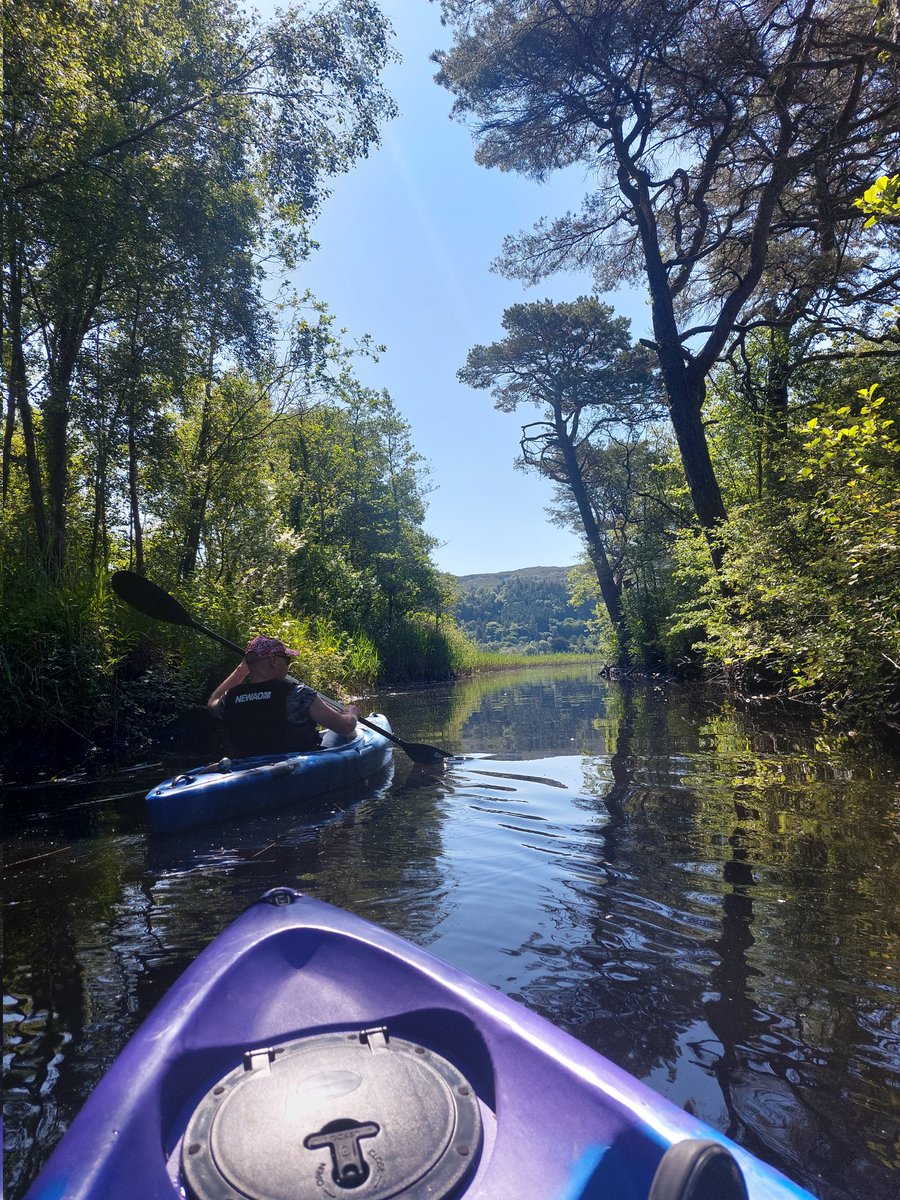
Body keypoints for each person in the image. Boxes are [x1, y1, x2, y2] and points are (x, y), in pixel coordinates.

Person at [207, 635, 360, 757]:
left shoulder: (230, 698)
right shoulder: (297, 694)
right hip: (293, 769)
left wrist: (241, 670)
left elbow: (212, 703)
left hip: (245, 766)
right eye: (287, 660)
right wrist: (352, 713)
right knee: (346, 731)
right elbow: (345, 727)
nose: (288, 665)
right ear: (274, 661)